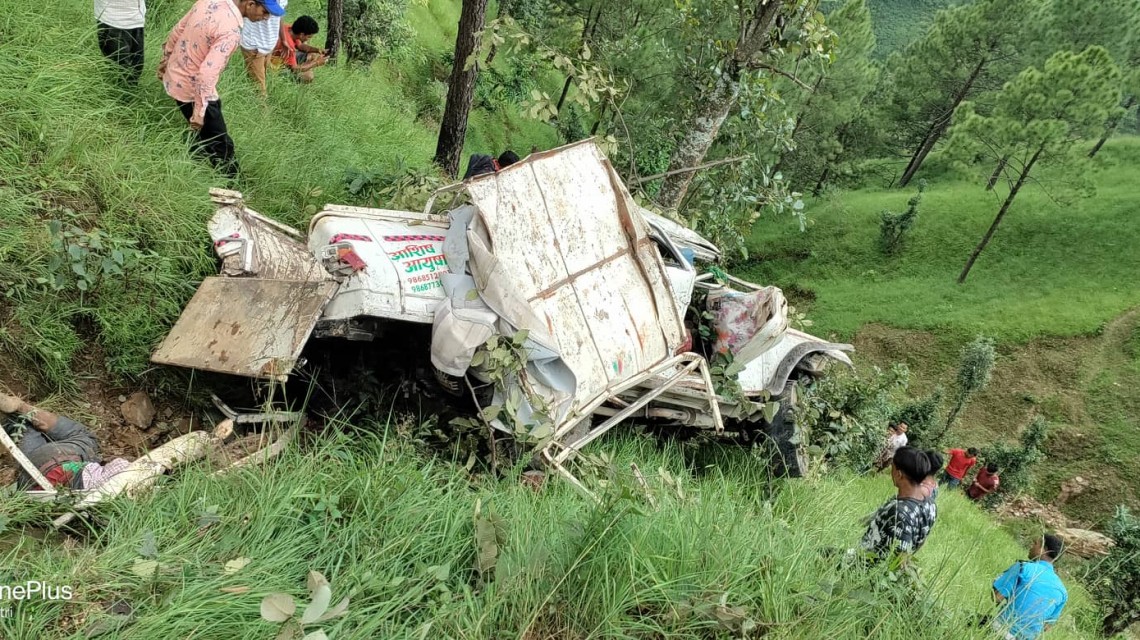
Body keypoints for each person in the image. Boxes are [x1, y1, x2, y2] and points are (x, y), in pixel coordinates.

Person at [158, 0, 285, 178]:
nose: (266, 18)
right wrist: (200, 112)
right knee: (221, 143)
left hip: (176, 77)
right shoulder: (230, 32)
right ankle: (235, 184)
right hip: (192, 89)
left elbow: (177, 31)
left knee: (211, 122)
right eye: (265, 12)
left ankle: (195, 156)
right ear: (250, 4)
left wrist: (165, 60)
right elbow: (206, 75)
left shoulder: (209, 1)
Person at [0, 393, 130, 491]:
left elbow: (120, 463)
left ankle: (20, 406)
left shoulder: (131, 475)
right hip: (34, 480)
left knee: (84, 437)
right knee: (21, 428)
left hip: (63, 460)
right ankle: (12, 421)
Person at [859, 446, 943, 563]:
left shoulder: (900, 512)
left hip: (866, 563)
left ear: (899, 474)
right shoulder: (931, 504)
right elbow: (921, 540)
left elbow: (901, 560)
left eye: (892, 468)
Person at [991, 533, 1068, 639]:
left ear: (1044, 549)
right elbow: (1047, 627)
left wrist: (996, 583)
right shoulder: (1062, 591)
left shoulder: (1023, 567)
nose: (1031, 547)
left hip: (1001, 630)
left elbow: (997, 598)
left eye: (1035, 543)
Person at [240, 0, 288, 96]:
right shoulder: (258, 3)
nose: (267, 17)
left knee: (259, 77)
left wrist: (283, 39)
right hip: (254, 45)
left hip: (269, 44)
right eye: (265, 13)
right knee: (260, 89)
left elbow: (279, 16)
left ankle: (247, 94)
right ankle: (262, 109)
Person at [95, 0, 146, 85]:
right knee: (120, 73)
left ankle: (130, 95)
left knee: (136, 69)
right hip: (112, 20)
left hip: (137, 19)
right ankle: (114, 95)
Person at [272, 16, 329, 83]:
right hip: (274, 64)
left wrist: (317, 50)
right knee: (308, 77)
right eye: (308, 37)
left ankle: (305, 67)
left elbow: (300, 46)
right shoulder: (289, 47)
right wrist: (316, 63)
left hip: (281, 57)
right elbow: (295, 68)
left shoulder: (288, 28)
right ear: (302, 35)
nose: (308, 39)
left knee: (311, 55)